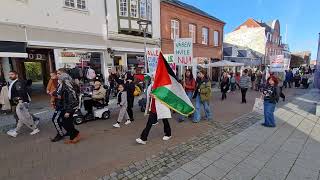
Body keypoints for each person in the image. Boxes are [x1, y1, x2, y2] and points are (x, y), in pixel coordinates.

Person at [136, 75, 172, 145]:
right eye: (152, 76)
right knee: (149, 123)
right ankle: (143, 138)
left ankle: (168, 134)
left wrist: (155, 96)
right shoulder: (151, 85)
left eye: (153, 76)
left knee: (165, 121)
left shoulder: (162, 84)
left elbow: (165, 95)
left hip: (161, 107)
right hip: (153, 107)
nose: (152, 77)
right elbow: (148, 94)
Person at [56, 69, 81, 144]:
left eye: (59, 73)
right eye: (57, 73)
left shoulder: (67, 82)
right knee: (66, 122)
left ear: (64, 74)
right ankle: (74, 136)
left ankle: (75, 135)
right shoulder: (63, 82)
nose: (57, 75)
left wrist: (68, 111)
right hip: (66, 105)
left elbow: (72, 97)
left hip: (69, 106)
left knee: (66, 123)